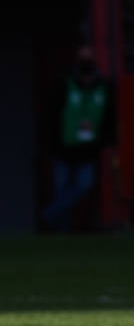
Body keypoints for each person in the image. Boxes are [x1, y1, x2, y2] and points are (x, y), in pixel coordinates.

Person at [41, 45, 113, 231]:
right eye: (82, 57)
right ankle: (62, 233)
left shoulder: (103, 87)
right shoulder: (66, 84)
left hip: (88, 151)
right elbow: (53, 115)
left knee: (83, 186)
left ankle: (49, 215)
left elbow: (108, 117)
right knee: (61, 190)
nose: (85, 61)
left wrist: (106, 140)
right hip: (64, 149)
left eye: (88, 57)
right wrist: (53, 143)